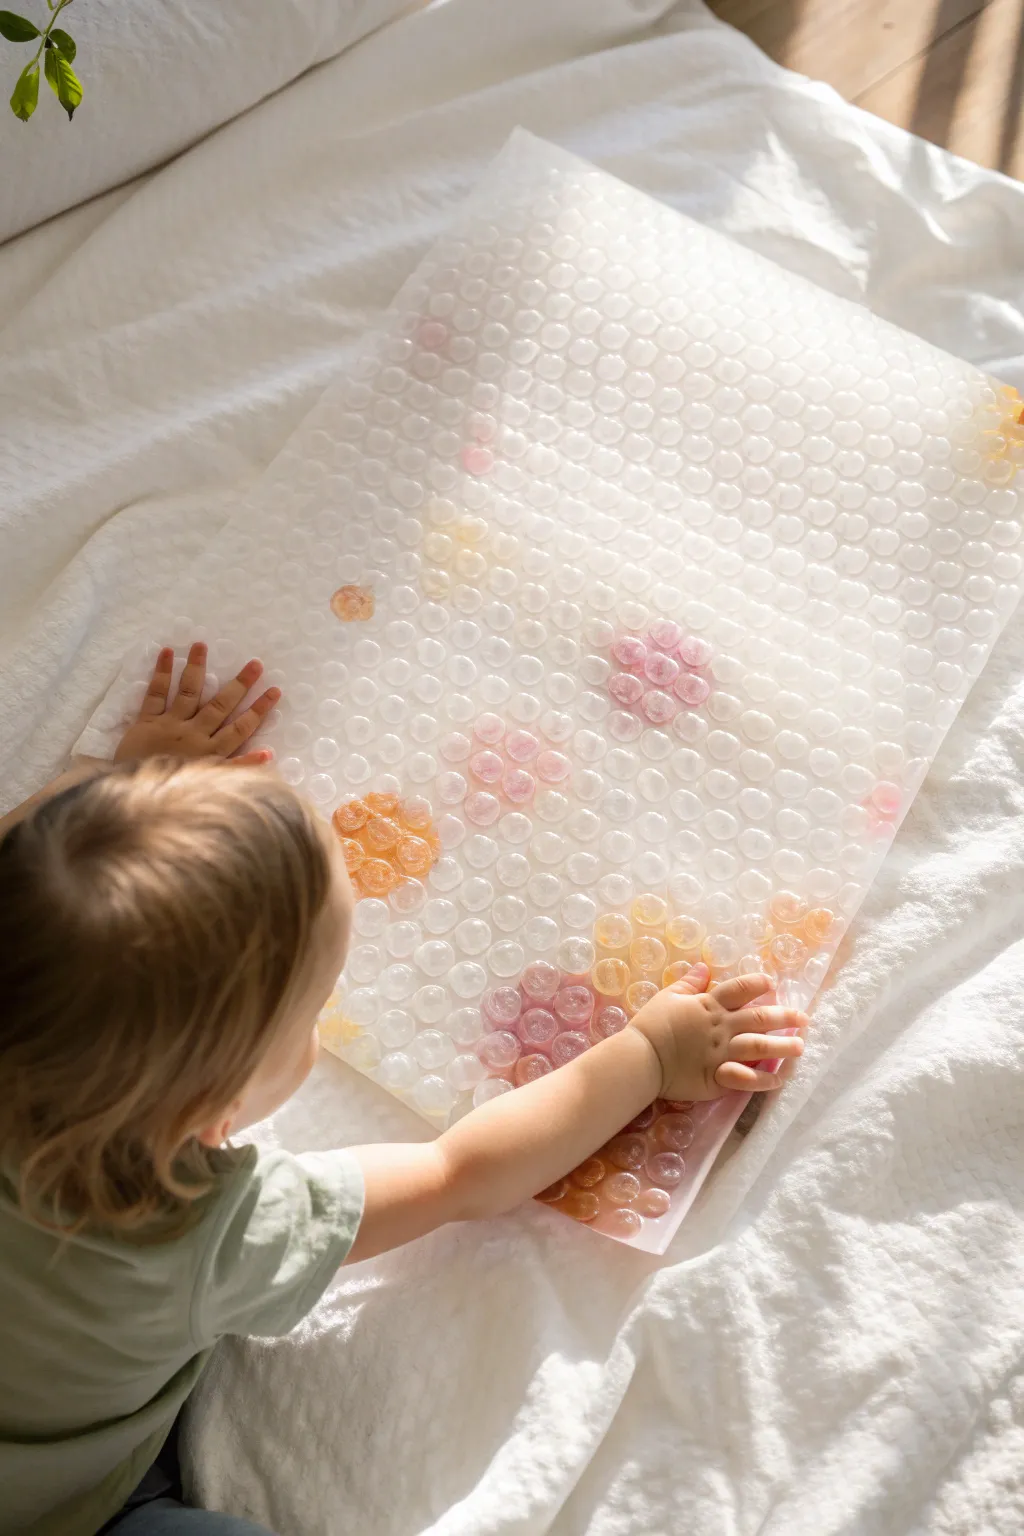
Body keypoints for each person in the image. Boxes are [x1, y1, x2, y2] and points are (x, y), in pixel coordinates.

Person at [0, 643, 808, 1536]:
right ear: (213, 1111)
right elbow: (462, 1173)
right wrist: (649, 1055)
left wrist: (122, 784)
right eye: (309, 1016)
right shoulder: (199, 1230)